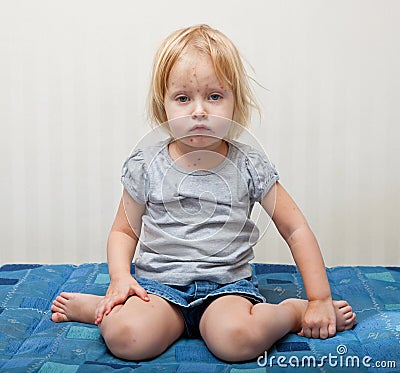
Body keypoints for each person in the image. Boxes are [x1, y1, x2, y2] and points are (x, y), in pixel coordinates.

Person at [51, 24, 356, 363]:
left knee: (237, 342)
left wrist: (318, 299)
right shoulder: (146, 164)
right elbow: (124, 231)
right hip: (158, 289)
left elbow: (294, 228)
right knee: (129, 339)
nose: (199, 111)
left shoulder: (248, 164)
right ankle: (108, 305)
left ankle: (292, 312)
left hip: (226, 289)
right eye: (183, 98)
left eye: (214, 96)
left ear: (234, 101)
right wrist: (121, 279)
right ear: (162, 105)